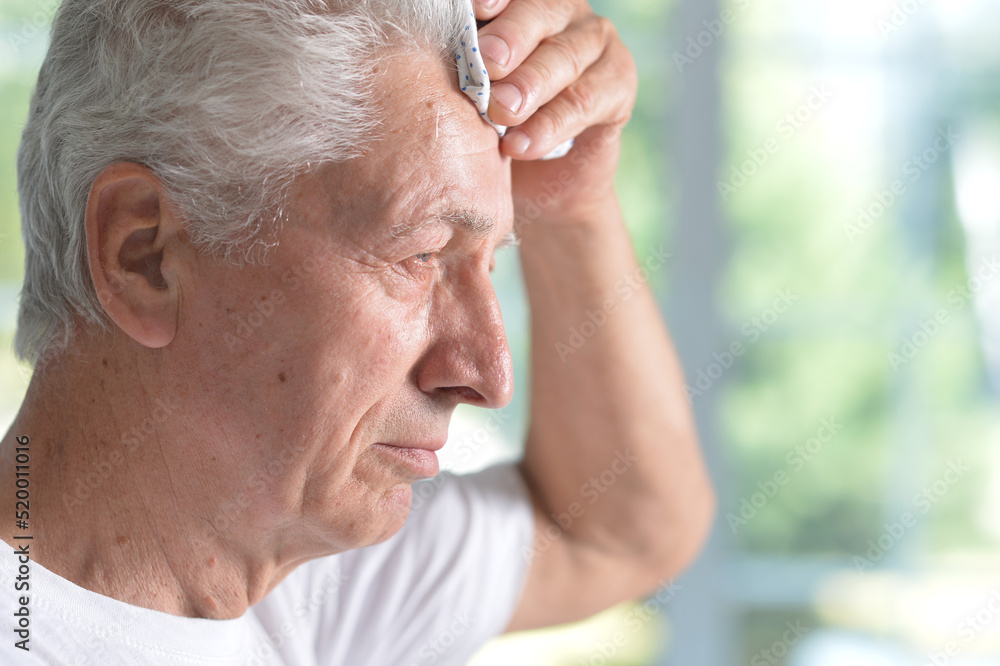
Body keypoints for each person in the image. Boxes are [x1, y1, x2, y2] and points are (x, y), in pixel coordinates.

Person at [0, 0, 715, 663]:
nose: (490, 374)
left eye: (491, 262)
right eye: (422, 255)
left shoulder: (308, 583)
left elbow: (621, 528)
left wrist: (570, 198)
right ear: (144, 256)